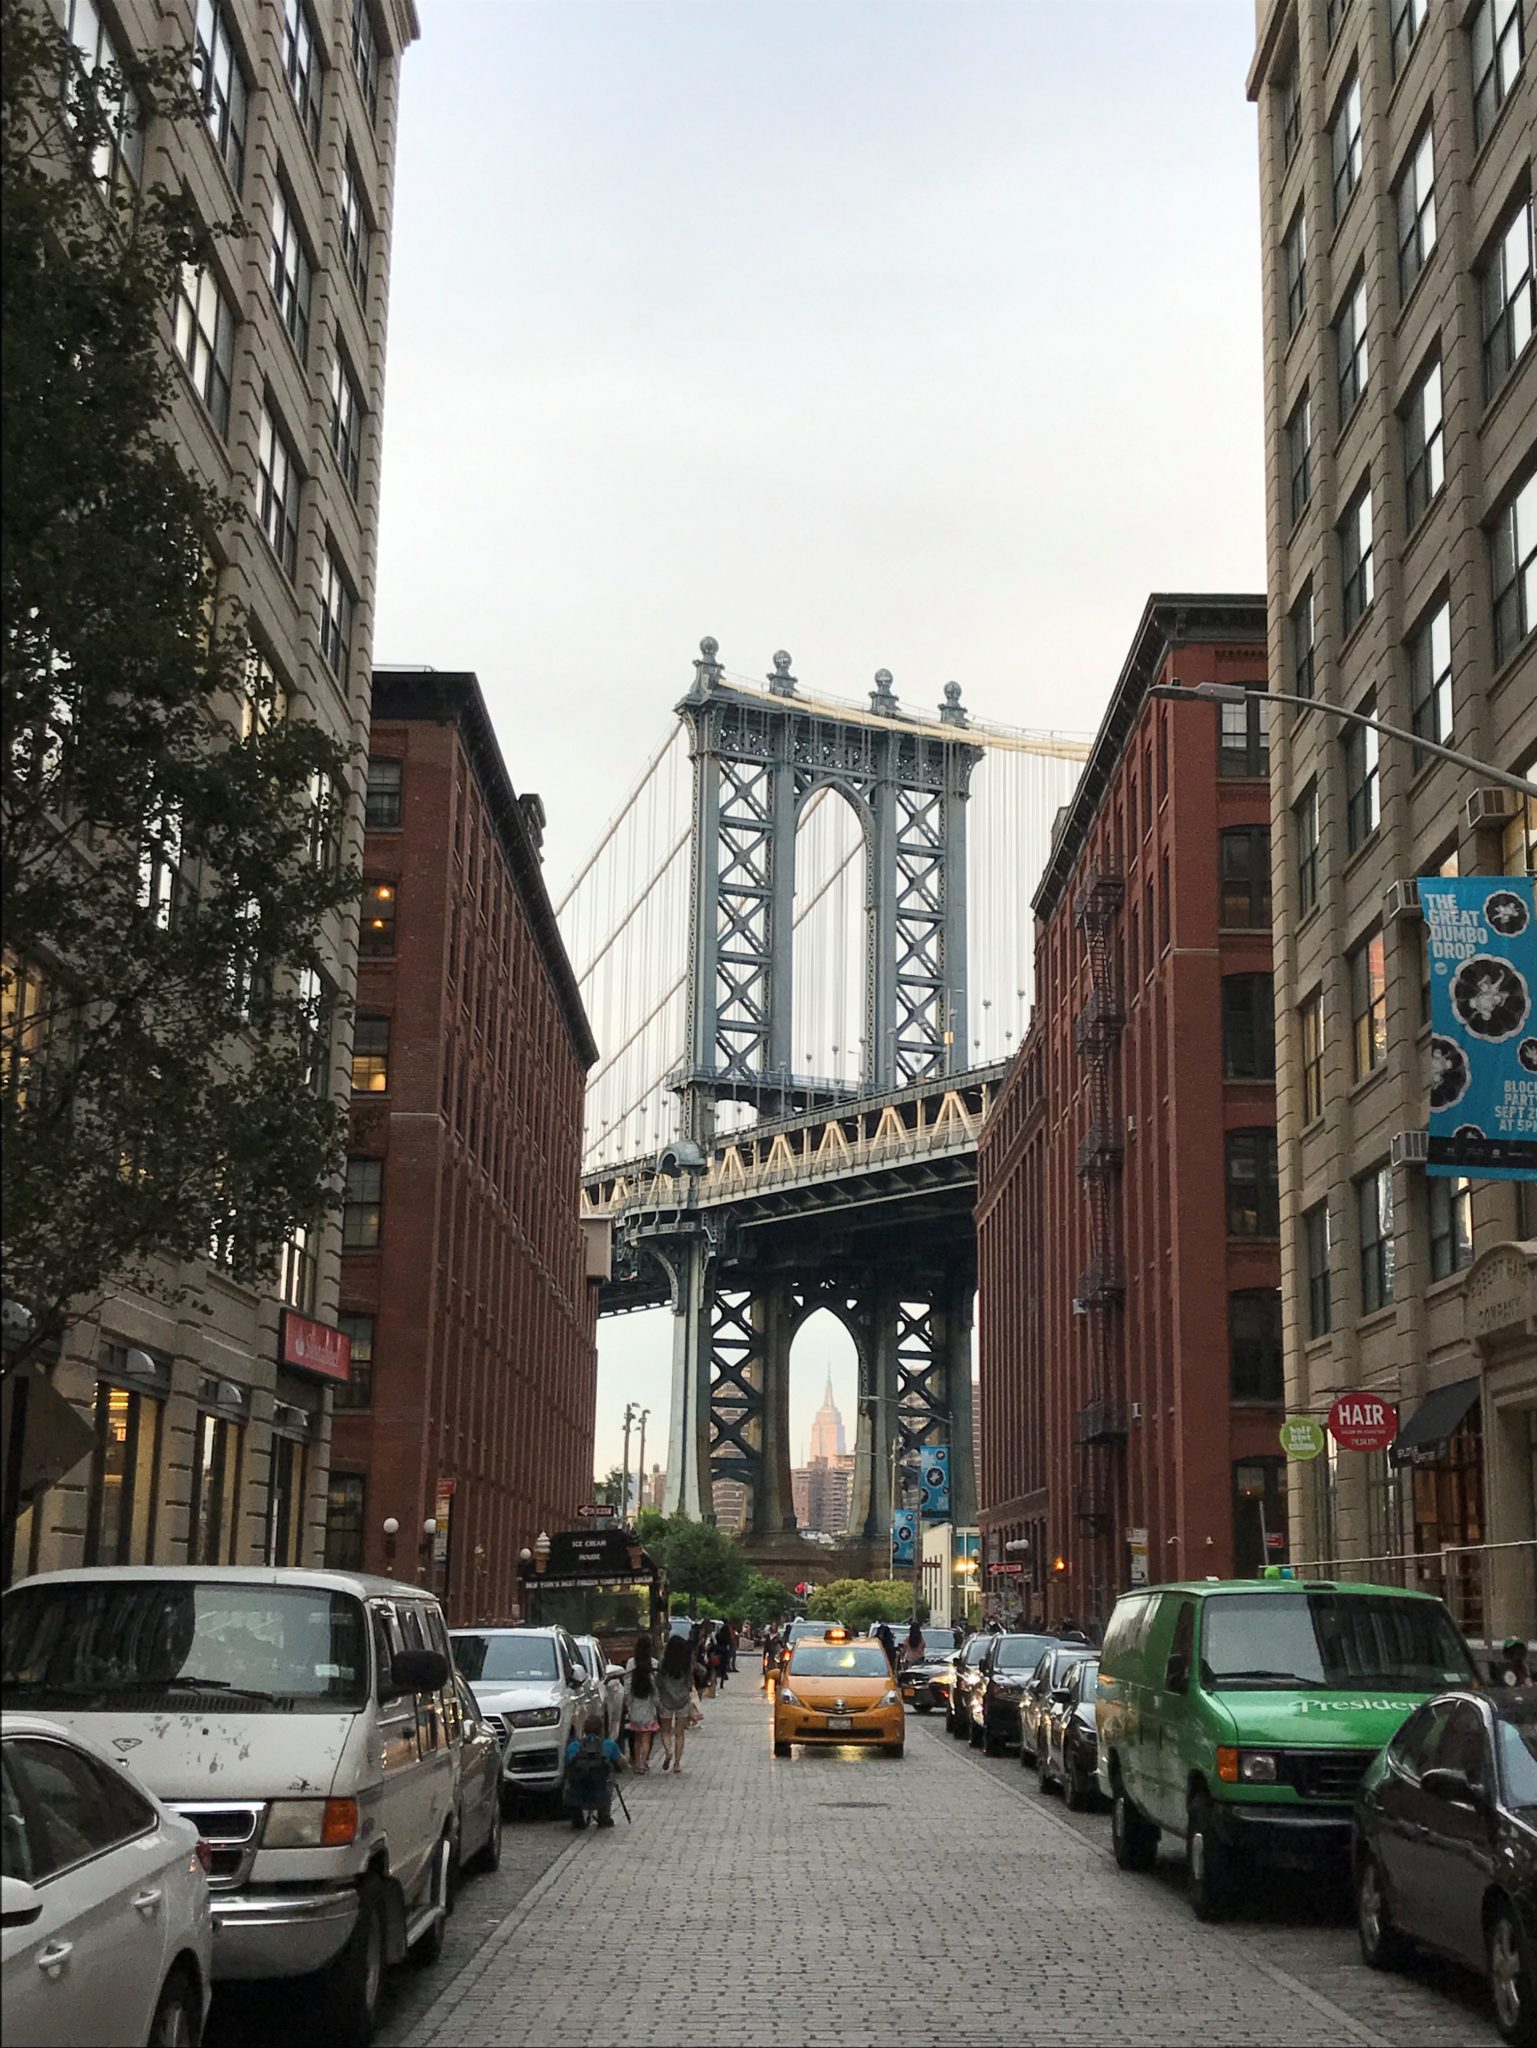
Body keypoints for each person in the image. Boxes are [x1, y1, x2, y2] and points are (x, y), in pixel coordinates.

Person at [563, 1708, 624, 1830]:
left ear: (584, 1730)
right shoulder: (609, 1745)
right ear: (601, 1730)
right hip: (600, 1788)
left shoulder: (573, 1746)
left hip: (577, 1789)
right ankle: (604, 1816)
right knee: (610, 1777)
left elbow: (566, 1765)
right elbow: (623, 1765)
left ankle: (577, 1818)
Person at [656, 1632, 694, 1773]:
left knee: (665, 1731)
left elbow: (658, 1682)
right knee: (680, 1733)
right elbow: (690, 1682)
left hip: (666, 1700)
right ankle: (677, 1764)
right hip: (682, 1701)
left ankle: (668, 1751)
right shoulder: (685, 1665)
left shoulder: (663, 1664)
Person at [623, 1635, 660, 1773]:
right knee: (646, 1737)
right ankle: (644, 1763)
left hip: (635, 1704)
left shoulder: (631, 1663)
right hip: (648, 1704)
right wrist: (658, 1704)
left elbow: (627, 1685)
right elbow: (656, 1687)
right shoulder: (654, 1664)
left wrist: (628, 1703)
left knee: (637, 1736)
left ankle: (637, 1762)